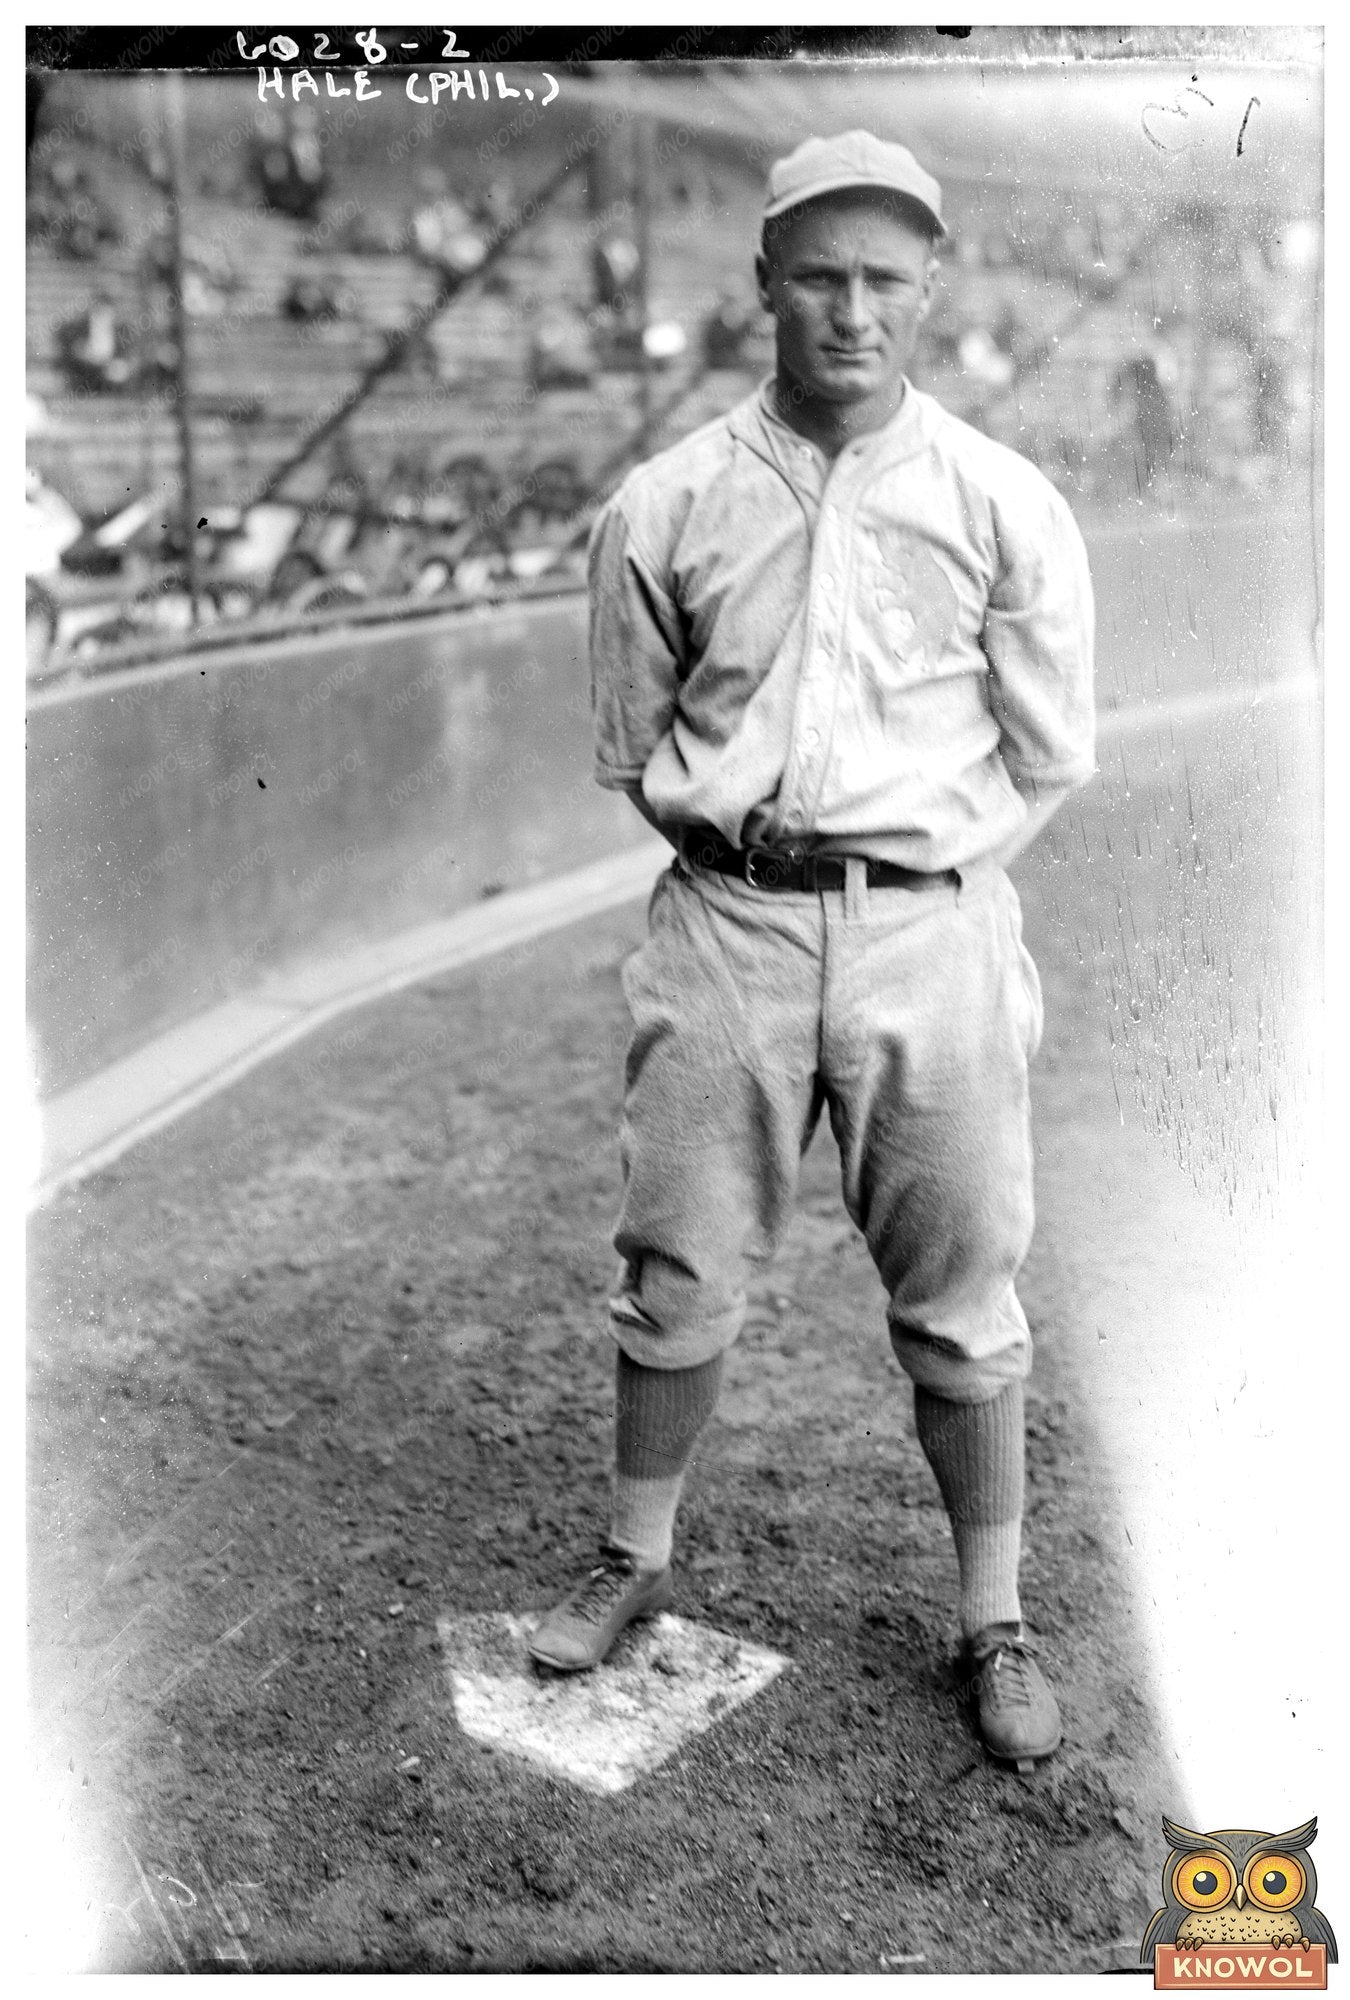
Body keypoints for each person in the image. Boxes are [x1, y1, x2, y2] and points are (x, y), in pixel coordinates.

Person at [528, 131, 1096, 1772]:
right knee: (679, 1264)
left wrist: (924, 890)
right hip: (726, 925)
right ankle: (635, 1558)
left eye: (883, 280)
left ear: (927, 292)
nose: (851, 310)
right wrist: (754, 869)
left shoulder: (999, 498)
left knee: (962, 1296)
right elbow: (636, 749)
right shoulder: (667, 499)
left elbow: (1048, 753)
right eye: (820, 276)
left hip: (933, 932)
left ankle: (991, 1616)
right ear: (763, 283)